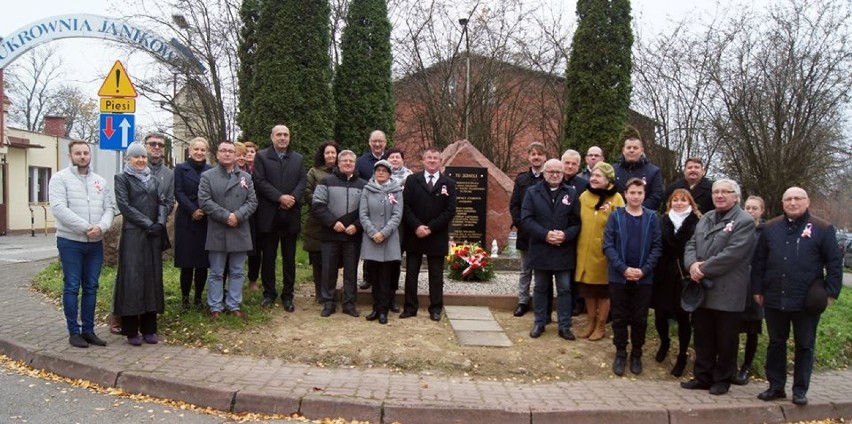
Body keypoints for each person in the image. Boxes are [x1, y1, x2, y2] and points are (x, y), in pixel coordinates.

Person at [752, 187, 843, 405]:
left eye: (798, 198)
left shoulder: (823, 228)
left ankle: (800, 389)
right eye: (788, 199)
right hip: (774, 296)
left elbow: (834, 263)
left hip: (806, 300)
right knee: (776, 343)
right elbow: (759, 262)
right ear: (783, 203)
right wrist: (757, 289)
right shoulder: (770, 228)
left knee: (805, 344)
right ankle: (775, 386)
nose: (793, 203)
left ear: (807, 201)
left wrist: (830, 293)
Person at [681, 179, 755, 396]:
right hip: (702, 290)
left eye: (725, 192)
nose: (719, 195)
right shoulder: (706, 218)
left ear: (736, 196)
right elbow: (691, 244)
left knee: (726, 340)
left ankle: (722, 379)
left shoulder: (744, 221)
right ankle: (703, 377)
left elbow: (733, 253)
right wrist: (691, 264)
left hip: (727, 291)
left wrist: (703, 269)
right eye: (716, 192)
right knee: (703, 337)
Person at [49, 140, 115, 348]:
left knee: (91, 287)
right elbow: (59, 208)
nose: (82, 156)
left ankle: (88, 330)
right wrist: (86, 227)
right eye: (78, 153)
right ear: (70, 156)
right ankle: (73, 331)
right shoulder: (60, 179)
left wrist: (101, 227)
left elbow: (109, 209)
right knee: (71, 286)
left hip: (95, 243)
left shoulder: (100, 182)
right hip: (70, 242)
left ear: (90, 155)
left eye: (86, 153)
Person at [603, 178, 663, 376]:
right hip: (619, 277)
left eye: (639, 193)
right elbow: (608, 245)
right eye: (632, 192)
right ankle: (620, 352)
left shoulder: (652, 217)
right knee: (619, 317)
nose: (636, 196)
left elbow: (657, 247)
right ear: (625, 194)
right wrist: (622, 268)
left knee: (639, 318)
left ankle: (636, 353)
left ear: (644, 195)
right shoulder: (616, 216)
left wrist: (644, 270)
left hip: (643, 278)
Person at [113, 142, 170, 346]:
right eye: (136, 157)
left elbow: (163, 202)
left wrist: (160, 223)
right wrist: (147, 223)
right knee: (132, 279)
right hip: (133, 235)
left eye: (143, 157)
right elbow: (125, 206)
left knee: (152, 278)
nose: (140, 160)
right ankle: (130, 330)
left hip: (153, 236)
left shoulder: (153, 180)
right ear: (128, 159)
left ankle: (149, 328)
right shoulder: (121, 179)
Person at [521, 159, 581, 340]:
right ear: (544, 173)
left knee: (564, 288)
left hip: (563, 250)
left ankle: (564, 325)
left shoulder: (571, 193)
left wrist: (564, 235)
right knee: (540, 287)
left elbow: (577, 223)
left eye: (559, 172)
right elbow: (526, 219)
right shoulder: (532, 192)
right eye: (551, 171)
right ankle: (539, 322)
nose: (555, 175)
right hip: (541, 248)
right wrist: (546, 234)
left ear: (563, 174)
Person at [198, 140, 258, 319]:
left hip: (239, 229)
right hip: (218, 229)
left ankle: (234, 305)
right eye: (223, 151)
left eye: (230, 151)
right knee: (216, 272)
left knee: (237, 271)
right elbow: (204, 201)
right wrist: (226, 216)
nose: (227, 154)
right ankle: (215, 306)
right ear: (217, 154)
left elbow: (253, 201)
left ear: (236, 155)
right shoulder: (207, 176)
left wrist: (237, 216)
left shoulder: (246, 178)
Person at [253, 124, 306, 311]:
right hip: (269, 214)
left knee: (289, 258)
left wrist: (292, 198)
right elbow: (259, 181)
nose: (282, 138)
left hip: (290, 214)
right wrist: (279, 197)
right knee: (268, 257)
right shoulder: (262, 157)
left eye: (286, 135)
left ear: (289, 138)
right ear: (272, 137)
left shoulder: (298, 158)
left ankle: (288, 295)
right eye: (279, 135)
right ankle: (269, 293)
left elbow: (302, 181)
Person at [401, 147, 458, 321]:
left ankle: (435, 309)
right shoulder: (412, 180)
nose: (432, 161)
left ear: (441, 161)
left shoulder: (449, 183)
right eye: (429, 158)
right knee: (411, 274)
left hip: (436, 235)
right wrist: (417, 226)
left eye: (435, 158)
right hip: (414, 234)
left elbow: (450, 210)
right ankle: (410, 307)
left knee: (436, 275)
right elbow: (405, 206)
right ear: (423, 161)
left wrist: (431, 228)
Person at [651, 189, 702, 377]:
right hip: (663, 274)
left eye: (683, 200)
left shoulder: (697, 222)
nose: (679, 203)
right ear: (670, 203)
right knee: (660, 315)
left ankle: (682, 355)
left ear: (690, 203)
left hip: (684, 274)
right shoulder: (662, 220)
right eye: (675, 200)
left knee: (683, 318)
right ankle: (664, 342)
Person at [312, 150, 366, 317]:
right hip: (331, 233)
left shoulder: (364, 185)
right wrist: (333, 223)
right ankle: (329, 302)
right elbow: (318, 205)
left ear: (355, 164)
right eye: (344, 160)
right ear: (338, 163)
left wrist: (356, 226)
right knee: (328, 270)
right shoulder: (325, 181)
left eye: (351, 160)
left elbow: (367, 209)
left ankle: (349, 303)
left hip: (352, 235)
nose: (348, 163)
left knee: (351, 271)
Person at [575, 162, 624, 341]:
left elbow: (620, 225)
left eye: (599, 176)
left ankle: (601, 326)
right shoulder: (584, 196)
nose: (594, 179)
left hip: (604, 255)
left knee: (603, 291)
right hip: (584, 252)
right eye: (593, 175)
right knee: (588, 290)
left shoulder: (617, 198)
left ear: (608, 179)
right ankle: (590, 323)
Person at [359, 160, 404, 325]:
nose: (381, 173)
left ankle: (384, 310)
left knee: (386, 277)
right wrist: (373, 233)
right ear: (374, 172)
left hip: (389, 240)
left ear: (389, 173)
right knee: (374, 277)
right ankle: (375, 308)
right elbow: (363, 214)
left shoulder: (397, 191)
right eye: (378, 170)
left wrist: (384, 233)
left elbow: (397, 215)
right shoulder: (367, 190)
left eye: (384, 170)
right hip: (372, 240)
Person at [173, 137, 211, 311]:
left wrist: (203, 209)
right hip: (187, 219)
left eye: (202, 150)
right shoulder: (181, 169)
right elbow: (178, 191)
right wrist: (192, 210)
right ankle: (185, 299)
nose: (199, 152)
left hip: (205, 219)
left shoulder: (210, 170)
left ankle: (198, 299)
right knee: (187, 262)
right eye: (196, 149)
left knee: (202, 263)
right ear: (190, 151)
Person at [731, 195, 766, 385]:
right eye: (747, 208)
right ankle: (732, 365)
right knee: (733, 328)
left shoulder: (765, 232)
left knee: (752, 329)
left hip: (755, 286)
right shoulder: (737, 228)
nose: (750, 211)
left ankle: (746, 366)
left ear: (762, 211)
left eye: (754, 208)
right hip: (737, 285)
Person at [509, 142, 546, 317]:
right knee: (525, 270)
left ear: (545, 157)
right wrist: (522, 224)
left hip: (544, 233)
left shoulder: (549, 178)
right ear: (528, 157)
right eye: (533, 154)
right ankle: (523, 301)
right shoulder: (521, 179)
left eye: (539, 154)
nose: (536, 157)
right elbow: (514, 205)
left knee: (543, 271)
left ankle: (542, 302)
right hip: (526, 232)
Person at [303, 141, 340, 303]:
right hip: (317, 221)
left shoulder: (342, 171)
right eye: (327, 153)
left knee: (333, 259)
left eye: (333, 152)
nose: (331, 155)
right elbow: (307, 191)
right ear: (322, 155)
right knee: (318, 259)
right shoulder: (314, 172)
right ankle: (320, 293)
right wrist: (321, 205)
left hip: (337, 220)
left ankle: (331, 291)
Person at [357, 130, 389, 290]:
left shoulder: (391, 159)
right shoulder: (361, 162)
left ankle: (385, 278)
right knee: (369, 242)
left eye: (380, 141)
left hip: (388, 209)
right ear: (369, 143)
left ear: (385, 143)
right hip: (369, 208)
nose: (377, 144)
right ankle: (367, 277)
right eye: (374, 141)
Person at [383, 146, 412, 312]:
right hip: (382, 224)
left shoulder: (411, 178)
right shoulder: (380, 177)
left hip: (400, 225)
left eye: (398, 157)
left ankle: (392, 296)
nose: (395, 159)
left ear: (403, 160)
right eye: (391, 157)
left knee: (395, 260)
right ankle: (380, 297)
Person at [614, 135, 664, 211]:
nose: (631, 150)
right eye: (628, 147)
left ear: (642, 150)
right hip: (617, 216)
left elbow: (656, 196)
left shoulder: (654, 171)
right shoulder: (613, 170)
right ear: (623, 150)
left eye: (635, 148)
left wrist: (637, 210)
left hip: (645, 217)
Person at [241, 141, 261, 290]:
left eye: (251, 152)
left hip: (256, 215)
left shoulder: (259, 170)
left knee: (255, 249)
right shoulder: (234, 169)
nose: (248, 154)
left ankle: (253, 279)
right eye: (245, 151)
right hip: (239, 214)